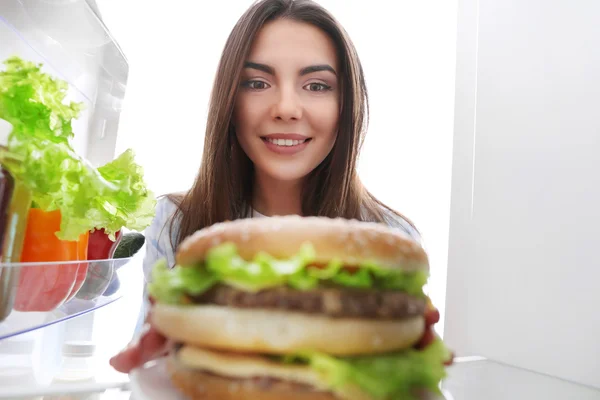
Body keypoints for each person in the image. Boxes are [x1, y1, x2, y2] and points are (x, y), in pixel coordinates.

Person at [110, 0, 422, 373]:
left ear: (347, 104)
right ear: (230, 99)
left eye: (317, 85)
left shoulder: (392, 238)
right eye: (257, 83)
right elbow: (153, 375)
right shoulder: (175, 222)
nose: (286, 108)